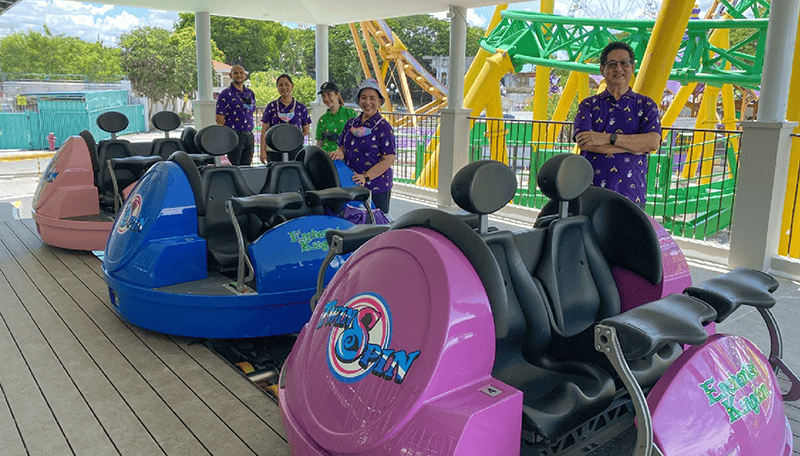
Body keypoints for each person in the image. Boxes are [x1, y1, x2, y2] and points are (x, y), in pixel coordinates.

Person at [573, 41, 661, 208]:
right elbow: (586, 142)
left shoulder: (646, 105)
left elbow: (652, 142)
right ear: (602, 69)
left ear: (633, 67)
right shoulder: (588, 105)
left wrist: (606, 138)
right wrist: (635, 146)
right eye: (612, 64)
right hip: (591, 192)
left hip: (632, 193)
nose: (618, 69)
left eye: (624, 64)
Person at [329, 78, 396, 214]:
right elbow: (342, 147)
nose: (368, 102)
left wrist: (366, 176)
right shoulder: (351, 123)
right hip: (352, 184)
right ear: (358, 100)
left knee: (376, 225)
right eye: (363, 98)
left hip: (377, 186)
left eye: (372, 98)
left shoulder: (384, 127)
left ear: (379, 101)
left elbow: (388, 160)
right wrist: (339, 153)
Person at [260, 73, 311, 162]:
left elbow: (306, 130)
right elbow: (264, 130)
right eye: (280, 85)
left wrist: (292, 140)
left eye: (287, 84)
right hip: (274, 150)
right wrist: (262, 151)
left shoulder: (301, 108)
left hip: (295, 150)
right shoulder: (271, 107)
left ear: (292, 86)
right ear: (277, 88)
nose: (284, 87)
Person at [215, 65, 256, 165]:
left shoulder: (250, 93)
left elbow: (251, 111)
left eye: (241, 73)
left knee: (247, 167)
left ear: (245, 76)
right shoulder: (225, 94)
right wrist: (229, 136)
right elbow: (219, 119)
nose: (239, 75)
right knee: (235, 167)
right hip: (234, 136)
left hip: (249, 136)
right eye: (236, 73)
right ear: (230, 75)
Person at [315, 82, 357, 152]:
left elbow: (357, 137)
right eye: (323, 96)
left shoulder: (350, 113)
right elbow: (319, 143)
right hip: (326, 157)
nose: (326, 99)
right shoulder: (322, 119)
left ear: (337, 95)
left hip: (344, 156)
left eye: (329, 95)